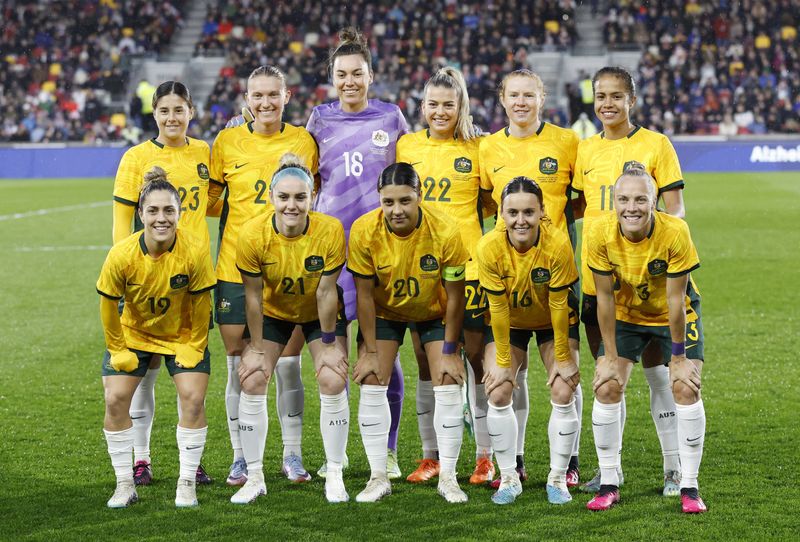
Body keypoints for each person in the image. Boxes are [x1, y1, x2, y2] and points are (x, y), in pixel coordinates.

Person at [573, 66, 686, 495]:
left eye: (616, 96)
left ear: (631, 100)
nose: (607, 104)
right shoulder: (584, 151)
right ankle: (610, 471)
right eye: (601, 96)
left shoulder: (656, 144)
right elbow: (575, 208)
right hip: (598, 283)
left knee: (661, 375)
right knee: (609, 376)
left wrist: (652, 256)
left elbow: (675, 210)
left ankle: (674, 468)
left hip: (648, 284)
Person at [209, 65, 319, 487]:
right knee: (240, 364)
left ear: (287, 96)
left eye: (273, 94)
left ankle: (292, 454)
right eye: (258, 96)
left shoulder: (302, 142)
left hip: (287, 269)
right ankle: (240, 457)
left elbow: (314, 194)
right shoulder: (227, 141)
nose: (266, 103)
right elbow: (215, 201)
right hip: (235, 271)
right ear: (247, 99)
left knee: (288, 364)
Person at [306, 27, 409, 479]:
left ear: (371, 75)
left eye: (358, 73)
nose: (350, 81)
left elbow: (411, 173)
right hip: (332, 253)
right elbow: (302, 174)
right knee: (336, 354)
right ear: (332, 77)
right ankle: (340, 449)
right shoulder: (318, 120)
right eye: (342, 74)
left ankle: (385, 448)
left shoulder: (391, 118)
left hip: (380, 253)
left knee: (381, 353)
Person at [479, 69, 582, 487]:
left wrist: (553, 227)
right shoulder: (489, 147)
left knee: (565, 373)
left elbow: (586, 198)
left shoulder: (567, 142)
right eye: (514, 96)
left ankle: (569, 462)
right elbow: (486, 201)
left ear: (543, 98)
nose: (521, 103)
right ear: (503, 100)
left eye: (529, 95)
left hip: (557, 265)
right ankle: (515, 462)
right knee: (509, 376)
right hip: (507, 267)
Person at [585, 163, 707, 514]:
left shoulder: (674, 231)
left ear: (655, 202)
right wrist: (609, 357)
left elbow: (674, 300)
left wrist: (680, 359)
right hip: (625, 314)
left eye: (641, 199)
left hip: (673, 312)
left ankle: (689, 486)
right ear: (615, 202)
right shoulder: (599, 233)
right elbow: (604, 299)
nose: (631, 207)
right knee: (607, 385)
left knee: (685, 386)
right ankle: (609, 482)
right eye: (623, 199)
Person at [230, 154, 350, 504]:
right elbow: (253, 297)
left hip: (318, 311)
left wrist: (328, 342)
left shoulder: (329, 230)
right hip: (275, 311)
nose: (292, 205)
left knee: (332, 376)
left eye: (300, 197)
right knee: (251, 377)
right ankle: (255, 477)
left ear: (312, 197)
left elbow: (327, 292)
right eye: (284, 197)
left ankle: (335, 474)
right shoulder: (252, 234)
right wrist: (254, 345)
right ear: (272, 198)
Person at [347, 162, 470, 503]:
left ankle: (448, 477)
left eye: (405, 201)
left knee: (445, 380)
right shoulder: (363, 231)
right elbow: (365, 296)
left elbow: (456, 296)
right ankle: (377, 477)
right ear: (379, 200)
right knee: (372, 379)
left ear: (420, 197)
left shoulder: (445, 229)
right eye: (388, 202)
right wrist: (370, 350)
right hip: (385, 312)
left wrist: (449, 351)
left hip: (434, 310)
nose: (396, 210)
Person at [396, 66, 496, 485]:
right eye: (433, 104)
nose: (440, 112)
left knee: (472, 361)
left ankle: (485, 455)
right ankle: (430, 455)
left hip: (469, 270)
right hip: (423, 271)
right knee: (425, 363)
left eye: (448, 105)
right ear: (422, 107)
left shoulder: (479, 147)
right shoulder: (407, 146)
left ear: (462, 107)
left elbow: (491, 201)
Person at [112, 80, 212, 487]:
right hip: (146, 282)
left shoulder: (204, 153)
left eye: (179, 109)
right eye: (165, 110)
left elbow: (216, 202)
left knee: (189, 373)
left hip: (193, 280)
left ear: (191, 111)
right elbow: (122, 221)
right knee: (146, 370)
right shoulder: (135, 157)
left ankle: (192, 459)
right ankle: (141, 458)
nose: (172, 117)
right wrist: (127, 276)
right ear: (154, 113)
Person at [98, 168, 215, 509]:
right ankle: (124, 484)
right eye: (153, 210)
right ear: (141, 214)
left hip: (181, 334)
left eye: (169, 211)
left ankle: (186, 482)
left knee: (193, 397)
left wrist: (193, 344)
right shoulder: (121, 255)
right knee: (115, 398)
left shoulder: (194, 251)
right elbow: (107, 307)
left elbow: (202, 304)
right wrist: (118, 348)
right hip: (135, 332)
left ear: (180, 214)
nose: (161, 218)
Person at [478, 177, 581, 506]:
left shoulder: (558, 244)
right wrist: (505, 365)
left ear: (541, 212)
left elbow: (559, 305)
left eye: (528, 212)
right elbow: (496, 308)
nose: (520, 220)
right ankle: (509, 477)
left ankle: (557, 477)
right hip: (510, 320)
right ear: (502, 215)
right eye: (512, 213)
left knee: (565, 387)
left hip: (553, 321)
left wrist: (563, 358)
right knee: (498, 389)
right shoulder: (489, 247)